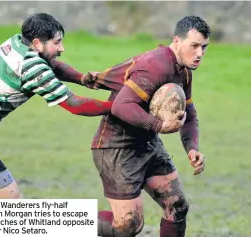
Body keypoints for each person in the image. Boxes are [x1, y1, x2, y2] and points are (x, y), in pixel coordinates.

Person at [89, 15, 210, 237]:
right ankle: (59, 222)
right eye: (194, 46)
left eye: (204, 47)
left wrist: (192, 148)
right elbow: (121, 106)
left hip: (147, 144)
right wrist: (159, 125)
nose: (200, 53)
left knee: (177, 207)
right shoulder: (156, 65)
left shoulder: (183, 70)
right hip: (117, 148)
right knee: (128, 226)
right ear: (177, 41)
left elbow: (189, 113)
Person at [0, 13, 112, 199]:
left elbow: (50, 64)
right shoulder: (31, 67)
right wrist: (118, 106)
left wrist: (81, 79)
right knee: (10, 204)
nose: (62, 48)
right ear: (37, 43)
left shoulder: (16, 43)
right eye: (57, 42)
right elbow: (75, 104)